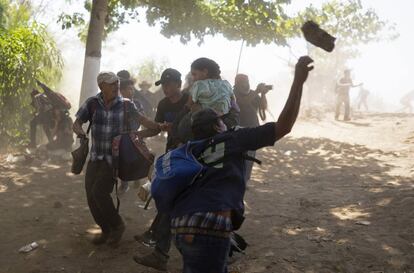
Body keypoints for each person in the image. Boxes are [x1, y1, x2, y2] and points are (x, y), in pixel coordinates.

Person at [167, 56, 313, 273]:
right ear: (219, 126)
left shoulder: (185, 149)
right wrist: (298, 82)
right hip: (211, 228)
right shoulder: (233, 139)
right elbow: (284, 126)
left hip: (179, 226)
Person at [72, 71, 162, 247]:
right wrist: (79, 132)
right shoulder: (92, 104)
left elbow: (150, 126)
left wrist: (147, 131)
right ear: (101, 86)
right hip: (95, 156)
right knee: (90, 196)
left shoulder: (127, 106)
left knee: (99, 192)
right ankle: (106, 230)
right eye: (111, 83)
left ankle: (117, 225)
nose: (116, 86)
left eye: (117, 83)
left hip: (113, 160)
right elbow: (76, 123)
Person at [133, 68, 189, 271]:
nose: (165, 88)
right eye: (163, 85)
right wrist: (138, 135)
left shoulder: (190, 101)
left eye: (168, 84)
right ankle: (159, 245)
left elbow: (198, 127)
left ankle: (160, 248)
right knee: (169, 202)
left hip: (190, 157)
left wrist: (176, 129)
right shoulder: (164, 104)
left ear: (178, 84)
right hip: (172, 156)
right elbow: (156, 127)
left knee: (173, 204)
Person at [233, 73, 271, 181]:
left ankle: (244, 180)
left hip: (253, 130)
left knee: (249, 158)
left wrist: (263, 94)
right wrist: (257, 91)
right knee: (239, 159)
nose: (246, 83)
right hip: (238, 131)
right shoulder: (233, 93)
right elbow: (242, 102)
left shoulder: (252, 94)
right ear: (237, 82)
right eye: (243, 81)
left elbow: (263, 107)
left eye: (247, 81)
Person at [117, 78, 146, 194]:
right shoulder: (118, 104)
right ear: (122, 91)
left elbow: (142, 117)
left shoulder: (137, 103)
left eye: (132, 89)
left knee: (136, 158)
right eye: (129, 89)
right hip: (122, 137)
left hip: (135, 135)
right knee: (122, 159)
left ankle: (136, 178)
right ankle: (124, 184)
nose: (132, 91)